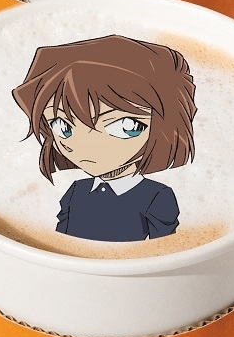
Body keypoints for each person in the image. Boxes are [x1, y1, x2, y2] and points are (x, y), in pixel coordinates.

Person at [12, 35, 197, 242]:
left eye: (125, 126)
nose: (84, 145)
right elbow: (61, 239)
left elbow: (164, 249)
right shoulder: (76, 192)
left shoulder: (156, 197)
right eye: (62, 126)